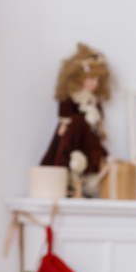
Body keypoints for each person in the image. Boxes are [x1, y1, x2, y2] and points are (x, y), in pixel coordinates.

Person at [41, 43, 110, 176]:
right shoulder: (74, 96)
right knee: (68, 151)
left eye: (97, 80)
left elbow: (97, 116)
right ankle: (66, 178)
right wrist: (64, 123)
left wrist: (100, 129)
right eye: (91, 78)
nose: (95, 83)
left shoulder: (93, 99)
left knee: (93, 154)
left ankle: (85, 181)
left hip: (88, 133)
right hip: (75, 130)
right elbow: (65, 109)